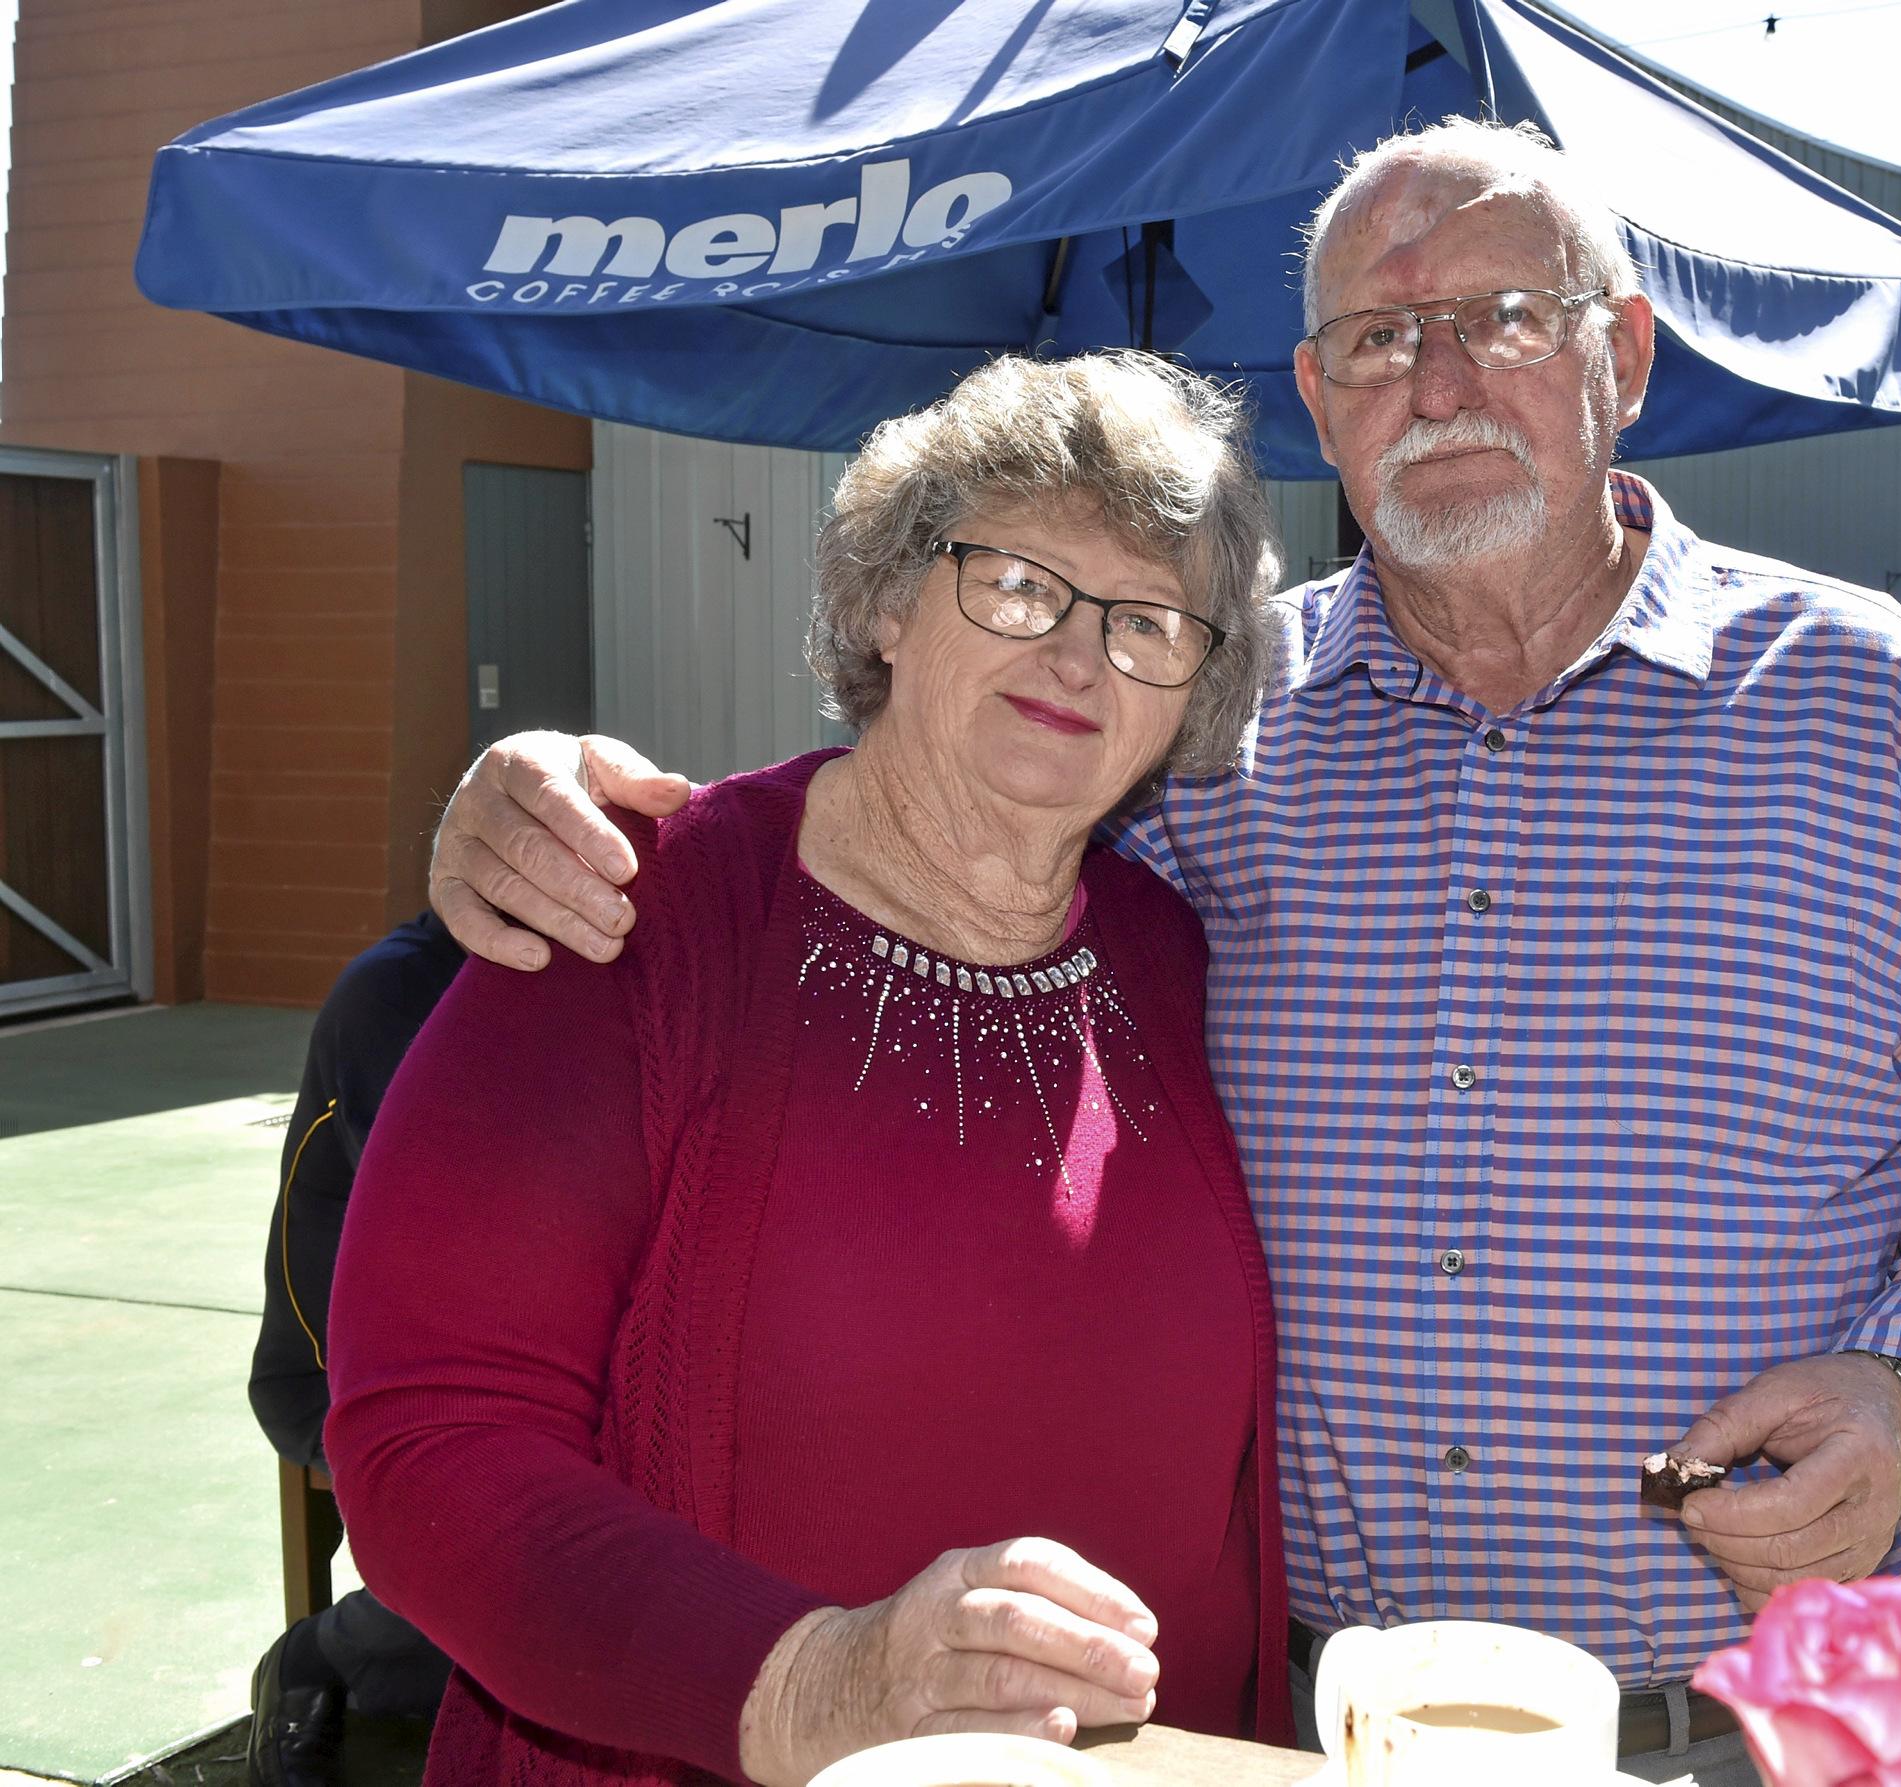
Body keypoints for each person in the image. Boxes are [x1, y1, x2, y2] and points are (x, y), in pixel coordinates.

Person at [427, 120, 1901, 1787]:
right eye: (1371, 340)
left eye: (1505, 318)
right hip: (1321, 1716)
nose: (1436, 383)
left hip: (1787, 1712)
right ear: (1316, 407)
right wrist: (546, 794)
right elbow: (928, 820)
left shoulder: (1866, 709)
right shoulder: (1202, 726)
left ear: (1624, 360)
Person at [324, 352, 1290, 1787]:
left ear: (1190, 696)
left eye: (1146, 621)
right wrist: (813, 1685)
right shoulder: (626, 914)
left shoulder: (1166, 945)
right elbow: (428, 1436)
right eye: (1018, 584)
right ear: (892, 597)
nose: (1078, 656)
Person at [246, 911, 464, 1787]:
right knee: (550, 1529)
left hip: (492, 1356)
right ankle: (324, 1656)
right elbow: (452, 1239)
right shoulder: (399, 991)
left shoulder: (595, 978)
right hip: (345, 1376)